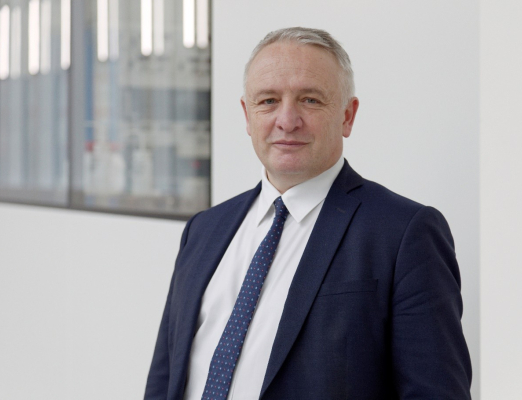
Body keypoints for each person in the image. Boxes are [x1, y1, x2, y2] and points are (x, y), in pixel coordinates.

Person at [144, 27, 472, 400]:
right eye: (268, 100)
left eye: (310, 100)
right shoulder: (203, 230)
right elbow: (165, 379)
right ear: (247, 115)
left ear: (347, 116)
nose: (287, 120)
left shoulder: (403, 234)